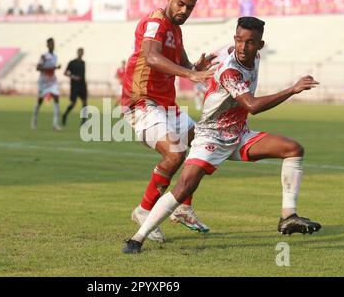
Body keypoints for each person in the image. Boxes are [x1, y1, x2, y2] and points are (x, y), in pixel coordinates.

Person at [123, 16, 322, 254]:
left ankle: (288, 217)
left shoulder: (253, 57)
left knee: (293, 149)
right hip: (211, 138)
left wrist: (201, 64)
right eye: (238, 41)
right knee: (184, 186)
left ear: (260, 45)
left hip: (239, 135)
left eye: (249, 42)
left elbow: (233, 56)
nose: (242, 47)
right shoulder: (230, 72)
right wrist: (292, 89)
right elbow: (252, 106)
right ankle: (137, 238)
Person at [121, 0, 218, 243]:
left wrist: (196, 67)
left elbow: (184, 64)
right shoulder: (155, 23)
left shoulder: (175, 29)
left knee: (204, 142)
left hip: (166, 105)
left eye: (190, 6)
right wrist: (189, 73)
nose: (184, 10)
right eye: (181, 3)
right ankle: (144, 211)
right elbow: (152, 56)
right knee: (175, 154)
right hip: (142, 102)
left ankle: (184, 208)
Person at [31, 38, 62, 130]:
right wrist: (50, 68)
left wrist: (56, 68)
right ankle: (34, 121)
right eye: (50, 44)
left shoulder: (55, 56)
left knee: (56, 98)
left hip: (52, 81)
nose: (52, 45)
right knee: (40, 101)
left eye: (53, 43)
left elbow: (53, 68)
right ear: (47, 45)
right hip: (43, 82)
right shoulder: (44, 56)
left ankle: (55, 124)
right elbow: (38, 68)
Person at [62, 48, 87, 126]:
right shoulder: (72, 62)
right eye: (80, 52)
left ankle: (83, 121)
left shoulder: (83, 63)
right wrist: (74, 77)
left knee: (85, 103)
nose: (81, 53)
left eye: (82, 52)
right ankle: (65, 114)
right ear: (77, 52)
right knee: (73, 103)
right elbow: (65, 73)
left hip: (82, 86)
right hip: (75, 86)